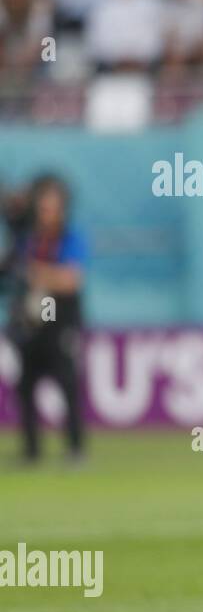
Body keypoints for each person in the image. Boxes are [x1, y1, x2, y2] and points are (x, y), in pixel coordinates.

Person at [11, 175, 88, 463]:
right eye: (42, 208)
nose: (45, 214)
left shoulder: (71, 237)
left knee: (67, 383)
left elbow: (71, 280)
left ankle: (75, 447)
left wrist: (37, 273)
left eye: (50, 208)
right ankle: (31, 451)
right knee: (26, 385)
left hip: (60, 321)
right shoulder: (31, 239)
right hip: (35, 323)